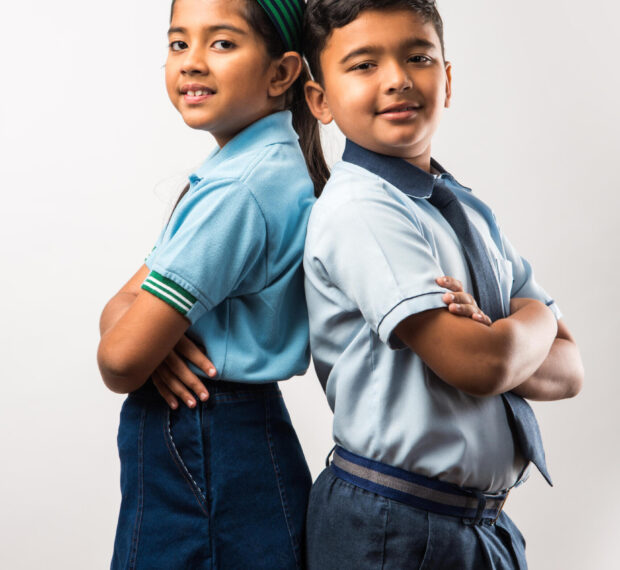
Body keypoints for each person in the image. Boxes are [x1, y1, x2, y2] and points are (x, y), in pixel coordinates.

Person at [301, 1, 584, 568]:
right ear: (320, 100)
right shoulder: (362, 209)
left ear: (447, 79)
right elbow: (480, 367)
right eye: (363, 64)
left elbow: (570, 369)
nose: (398, 78)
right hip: (396, 525)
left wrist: (505, 331)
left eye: (418, 56)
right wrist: (535, 319)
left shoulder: (466, 210)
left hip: (477, 522)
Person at [97, 0, 328, 568]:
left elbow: (120, 359)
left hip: (207, 437)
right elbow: (120, 306)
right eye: (179, 44)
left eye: (222, 43)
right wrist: (155, 343)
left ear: (282, 73)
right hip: (223, 436)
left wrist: (146, 345)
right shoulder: (246, 171)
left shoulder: (238, 192)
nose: (192, 62)